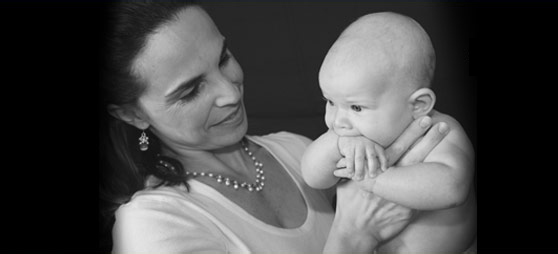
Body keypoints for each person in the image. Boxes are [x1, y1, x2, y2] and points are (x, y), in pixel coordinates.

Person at [99, 2, 450, 253]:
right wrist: (354, 237)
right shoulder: (153, 225)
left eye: (223, 58)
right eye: (190, 91)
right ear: (133, 115)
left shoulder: (300, 150)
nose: (229, 93)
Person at [300, 12, 477, 253]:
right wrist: (337, 147)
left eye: (356, 107)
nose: (337, 121)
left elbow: (453, 188)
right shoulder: (348, 136)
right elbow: (312, 176)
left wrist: (372, 180)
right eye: (330, 101)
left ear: (418, 105)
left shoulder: (440, 132)